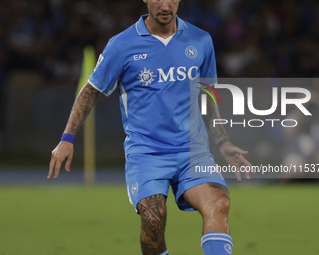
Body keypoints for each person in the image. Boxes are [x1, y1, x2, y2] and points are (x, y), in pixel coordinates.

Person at [48, 1, 252, 254]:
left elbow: (207, 94)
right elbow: (90, 91)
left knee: (219, 203)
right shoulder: (122, 45)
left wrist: (222, 141)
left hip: (192, 151)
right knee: (154, 219)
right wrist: (67, 138)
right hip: (147, 153)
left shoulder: (201, 40)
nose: (165, 5)